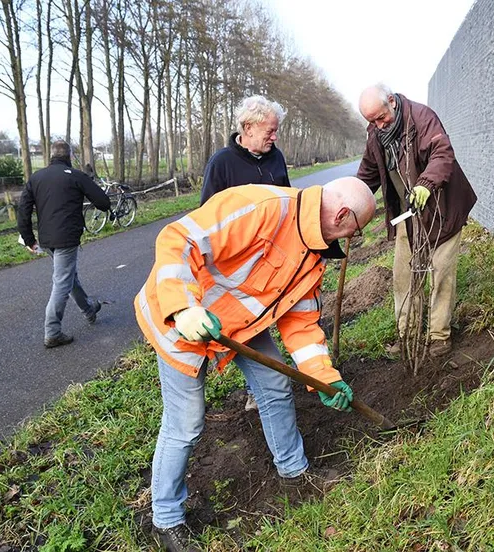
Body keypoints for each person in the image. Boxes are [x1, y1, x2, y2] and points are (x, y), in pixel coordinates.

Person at [135, 177, 376, 551]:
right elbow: (178, 239)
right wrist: (182, 308)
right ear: (342, 216)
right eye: (356, 231)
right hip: (179, 321)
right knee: (185, 423)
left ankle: (294, 471)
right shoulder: (261, 206)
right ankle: (166, 520)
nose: (352, 238)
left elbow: (301, 325)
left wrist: (324, 377)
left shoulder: (313, 255)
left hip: (238, 324)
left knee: (276, 385)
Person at [356, 84, 477, 357]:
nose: (379, 125)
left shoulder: (422, 118)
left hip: (442, 208)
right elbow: (367, 174)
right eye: (372, 121)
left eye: (381, 117)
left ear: (391, 101)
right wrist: (351, 201)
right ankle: (407, 334)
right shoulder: (376, 134)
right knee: (403, 275)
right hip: (408, 214)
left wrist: (426, 184)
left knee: (441, 273)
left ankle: (438, 336)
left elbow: (442, 153)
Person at [201, 94, 291, 413]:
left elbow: (288, 201)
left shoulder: (276, 158)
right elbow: (206, 217)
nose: (274, 137)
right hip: (235, 266)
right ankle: (258, 389)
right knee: (248, 327)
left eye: (276, 130)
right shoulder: (222, 163)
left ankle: (269, 382)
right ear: (248, 127)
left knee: (267, 321)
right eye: (270, 130)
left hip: (270, 262)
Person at [17, 141, 112, 348]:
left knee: (69, 277)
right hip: (66, 239)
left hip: (46, 240)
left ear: (50, 155)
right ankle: (52, 332)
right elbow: (104, 203)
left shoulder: (36, 178)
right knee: (62, 282)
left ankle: (89, 309)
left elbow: (23, 210)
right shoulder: (76, 176)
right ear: (68, 156)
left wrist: (28, 239)